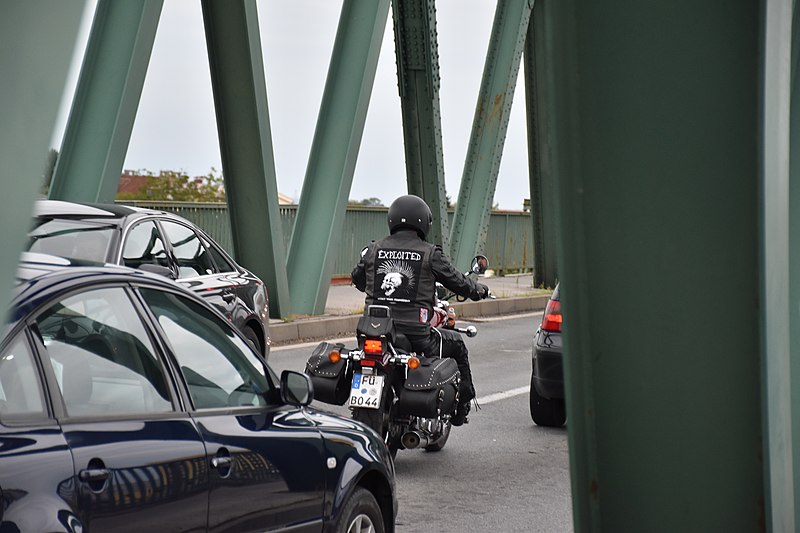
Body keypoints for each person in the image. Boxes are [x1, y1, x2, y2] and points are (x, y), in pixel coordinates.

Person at [351, 194, 489, 425]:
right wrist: (478, 290)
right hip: (417, 335)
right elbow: (457, 281)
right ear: (423, 222)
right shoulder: (430, 253)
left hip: (374, 331)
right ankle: (461, 406)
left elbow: (358, 279)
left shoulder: (374, 249)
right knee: (457, 346)